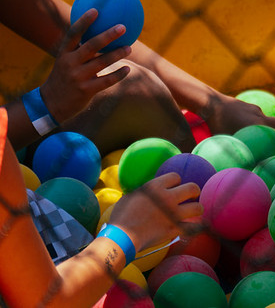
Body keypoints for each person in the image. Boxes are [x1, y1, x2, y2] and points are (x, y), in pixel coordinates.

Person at [0, 0, 275, 155]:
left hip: (22, 140)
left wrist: (214, 105)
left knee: (133, 86)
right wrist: (49, 102)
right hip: (10, 164)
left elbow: (96, 41)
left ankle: (201, 190)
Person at [0, 106, 202, 307]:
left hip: (34, 230)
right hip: (59, 281)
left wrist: (47, 100)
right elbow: (47, 300)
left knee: (137, 95)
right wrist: (126, 234)